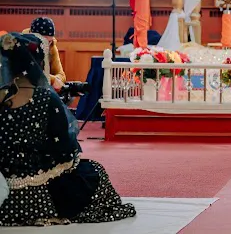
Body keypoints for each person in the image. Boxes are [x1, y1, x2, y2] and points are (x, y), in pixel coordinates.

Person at [0, 32, 135, 226]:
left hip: (4, 190)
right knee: (93, 171)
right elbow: (65, 150)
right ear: (37, 62)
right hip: (38, 195)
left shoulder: (3, 96)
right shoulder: (45, 98)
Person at [22, 17, 66, 90]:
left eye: (49, 41)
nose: (46, 45)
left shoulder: (51, 46)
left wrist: (57, 80)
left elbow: (61, 75)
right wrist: (53, 80)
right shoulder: (22, 44)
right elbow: (32, 73)